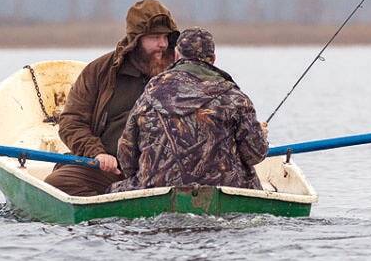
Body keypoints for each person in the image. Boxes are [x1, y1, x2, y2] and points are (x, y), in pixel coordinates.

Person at [45, 0, 180, 196]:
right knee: (57, 184)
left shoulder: (179, 71)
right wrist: (97, 153)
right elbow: (71, 122)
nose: (163, 44)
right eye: (155, 37)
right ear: (136, 39)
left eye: (166, 37)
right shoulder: (100, 71)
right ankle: (106, 211)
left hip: (167, 172)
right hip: (112, 170)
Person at [109, 27, 268, 193]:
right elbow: (254, 155)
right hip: (224, 192)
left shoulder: (149, 94)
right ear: (213, 59)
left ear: (177, 55)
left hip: (155, 189)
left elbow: (127, 159)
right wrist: (261, 136)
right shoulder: (235, 98)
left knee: (111, 190)